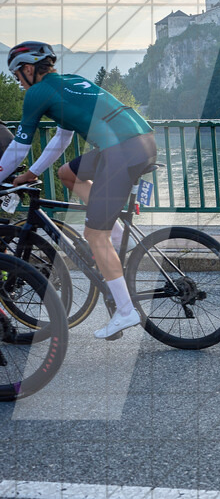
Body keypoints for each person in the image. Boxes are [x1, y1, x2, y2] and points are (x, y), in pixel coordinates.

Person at [0, 41, 157, 340]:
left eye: (17, 74)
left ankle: (125, 311)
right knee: (67, 174)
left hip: (120, 151)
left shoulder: (38, 92)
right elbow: (62, 138)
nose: (18, 82)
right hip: (142, 141)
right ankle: (115, 235)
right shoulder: (73, 82)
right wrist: (33, 173)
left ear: (30, 68)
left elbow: (19, 148)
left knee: (93, 235)